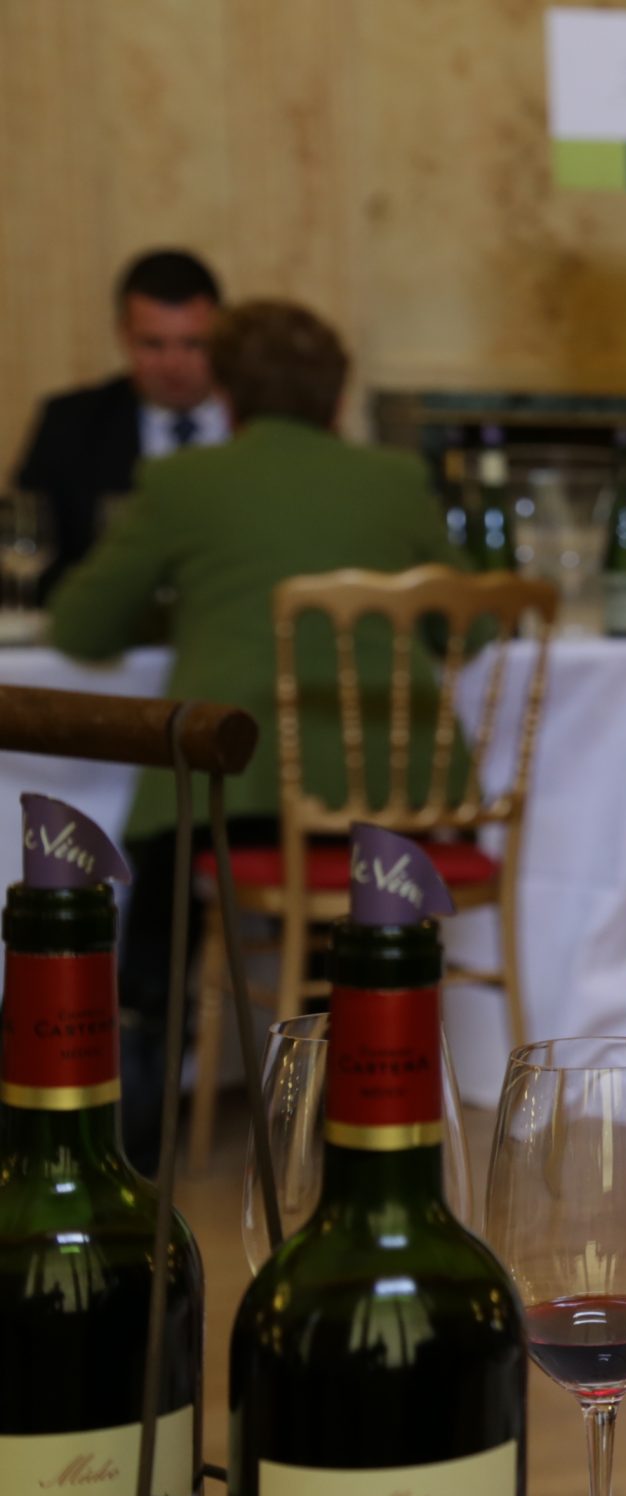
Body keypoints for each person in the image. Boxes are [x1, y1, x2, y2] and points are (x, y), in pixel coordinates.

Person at [48, 300, 454, 1174]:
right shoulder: (395, 480)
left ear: (226, 395)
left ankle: (134, 1125)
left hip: (235, 783)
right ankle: (362, 1105)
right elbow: (474, 627)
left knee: (161, 887)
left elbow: (80, 625)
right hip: (388, 805)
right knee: (343, 887)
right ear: (337, 397)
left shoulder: (185, 482)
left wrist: (188, 604)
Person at [10, 250, 228, 596]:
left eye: (193, 344)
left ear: (224, 333)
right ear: (123, 335)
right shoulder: (71, 425)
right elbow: (32, 553)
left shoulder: (262, 422)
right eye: (152, 344)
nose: (173, 364)